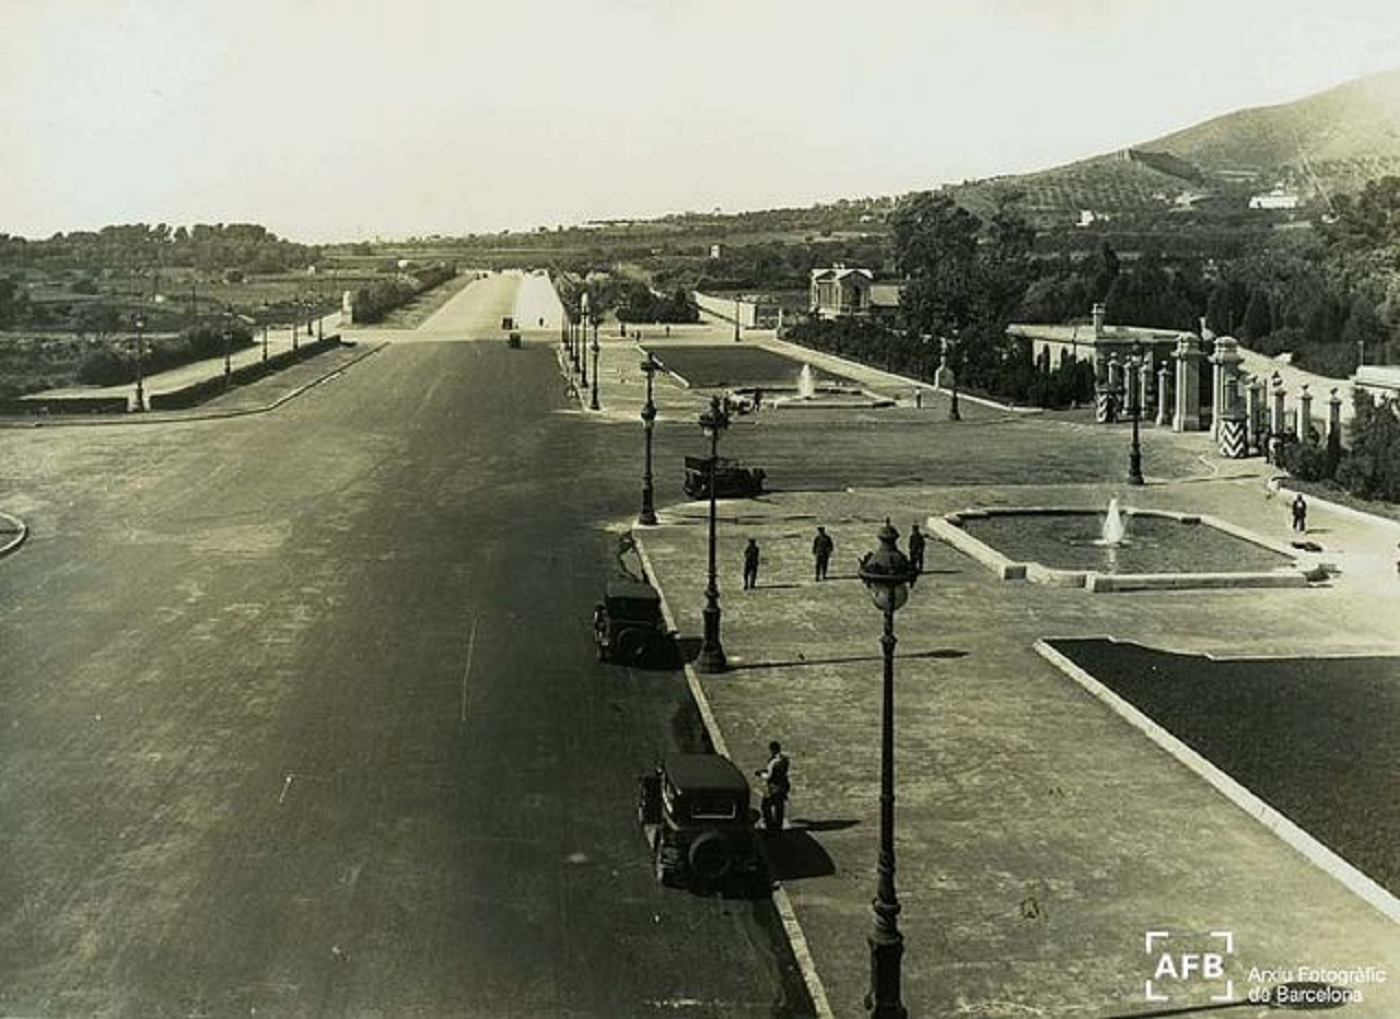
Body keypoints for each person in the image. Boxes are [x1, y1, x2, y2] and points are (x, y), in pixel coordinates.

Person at [755, 741, 791, 831]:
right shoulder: (785, 759)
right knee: (779, 806)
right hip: (783, 785)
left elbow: (768, 776)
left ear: (772, 750)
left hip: (773, 787)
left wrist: (760, 774)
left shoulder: (773, 762)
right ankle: (778, 825)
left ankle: (769, 826)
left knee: (765, 806)